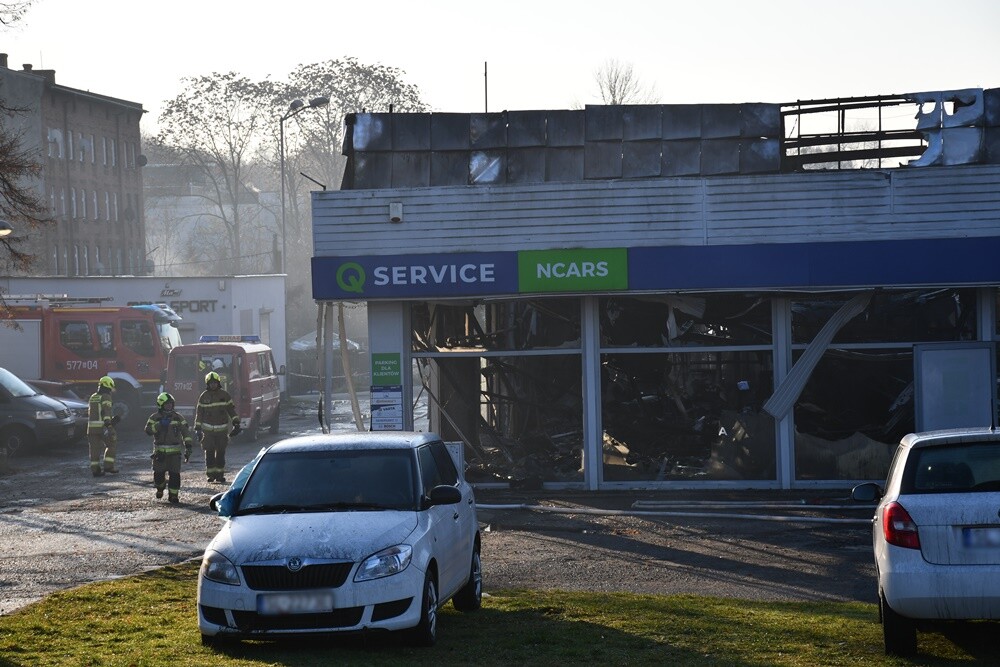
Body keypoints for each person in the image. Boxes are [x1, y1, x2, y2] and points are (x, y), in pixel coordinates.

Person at [144, 392, 193, 504]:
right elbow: (148, 431)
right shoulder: (154, 417)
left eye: (171, 404)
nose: (169, 406)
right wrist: (159, 424)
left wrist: (188, 446)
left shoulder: (178, 417)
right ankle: (160, 488)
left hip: (175, 453)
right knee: (158, 475)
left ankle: (173, 496)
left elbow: (186, 432)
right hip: (160, 453)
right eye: (167, 404)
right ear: (161, 405)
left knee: (175, 475)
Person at [195, 370, 240, 483]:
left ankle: (220, 475)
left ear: (218, 383)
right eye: (211, 383)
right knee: (209, 453)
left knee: (220, 453)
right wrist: (198, 429)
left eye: (215, 383)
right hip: (208, 431)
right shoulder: (203, 396)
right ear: (208, 384)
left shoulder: (225, 395)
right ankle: (210, 475)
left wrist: (236, 423)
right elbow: (199, 413)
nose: (213, 385)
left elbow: (231, 410)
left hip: (222, 430)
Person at [87, 375, 120, 476]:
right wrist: (109, 424)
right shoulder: (106, 396)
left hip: (91, 429)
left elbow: (95, 412)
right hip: (103, 427)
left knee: (94, 449)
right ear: (108, 386)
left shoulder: (93, 396)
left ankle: (95, 470)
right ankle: (108, 466)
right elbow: (106, 411)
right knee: (112, 444)